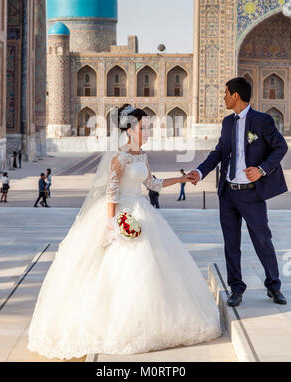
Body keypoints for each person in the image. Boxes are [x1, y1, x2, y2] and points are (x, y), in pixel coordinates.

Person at [28, 104, 221, 361]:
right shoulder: (119, 158)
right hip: (121, 214)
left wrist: (182, 180)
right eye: (144, 128)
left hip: (141, 211)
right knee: (122, 270)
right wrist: (112, 224)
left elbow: (152, 184)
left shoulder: (142, 155)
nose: (148, 132)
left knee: (152, 268)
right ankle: (116, 325)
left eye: (149, 127)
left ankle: (151, 323)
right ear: (130, 130)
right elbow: (112, 192)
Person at [189, 77, 288, 308]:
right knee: (231, 243)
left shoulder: (262, 120)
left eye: (225, 93)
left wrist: (262, 169)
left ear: (235, 95)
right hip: (228, 193)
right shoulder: (227, 122)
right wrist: (200, 172)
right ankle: (236, 288)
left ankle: (274, 286)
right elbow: (219, 153)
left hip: (252, 194)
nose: (223, 97)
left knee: (263, 241)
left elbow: (281, 146)